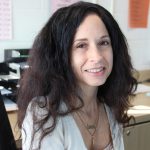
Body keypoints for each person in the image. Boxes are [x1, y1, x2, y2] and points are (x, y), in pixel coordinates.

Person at [17, 1, 137, 150]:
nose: (97, 56)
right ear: (60, 56)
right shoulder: (43, 114)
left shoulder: (111, 108)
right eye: (81, 45)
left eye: (104, 42)